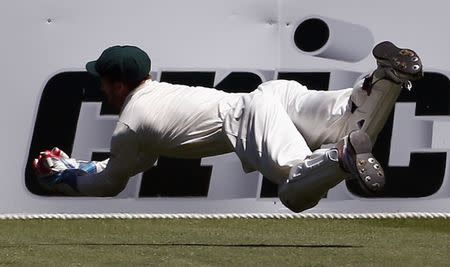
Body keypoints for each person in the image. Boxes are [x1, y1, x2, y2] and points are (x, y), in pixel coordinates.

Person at [32, 41, 423, 212]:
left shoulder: (130, 125)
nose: (100, 86)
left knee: (296, 193)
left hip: (251, 115)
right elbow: (127, 166)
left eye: (102, 80)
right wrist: (73, 165)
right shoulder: (156, 92)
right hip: (275, 96)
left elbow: (110, 182)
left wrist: (62, 177)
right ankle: (384, 81)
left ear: (118, 85)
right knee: (346, 116)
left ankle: (341, 158)